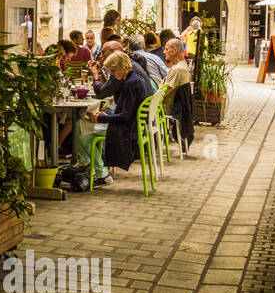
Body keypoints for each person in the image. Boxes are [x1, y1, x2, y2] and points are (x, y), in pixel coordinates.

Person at [75, 51, 145, 185]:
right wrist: (107, 116)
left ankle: (100, 172)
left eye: (113, 70)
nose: (112, 74)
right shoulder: (134, 79)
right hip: (132, 125)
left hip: (126, 130)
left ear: (123, 67)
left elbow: (125, 116)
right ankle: (97, 170)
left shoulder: (130, 84)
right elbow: (127, 113)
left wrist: (101, 119)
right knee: (82, 129)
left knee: (81, 129)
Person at [159, 38, 196, 151]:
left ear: (174, 51)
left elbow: (163, 93)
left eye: (166, 49)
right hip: (177, 107)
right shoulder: (182, 65)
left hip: (166, 109)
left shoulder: (177, 69)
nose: (164, 52)